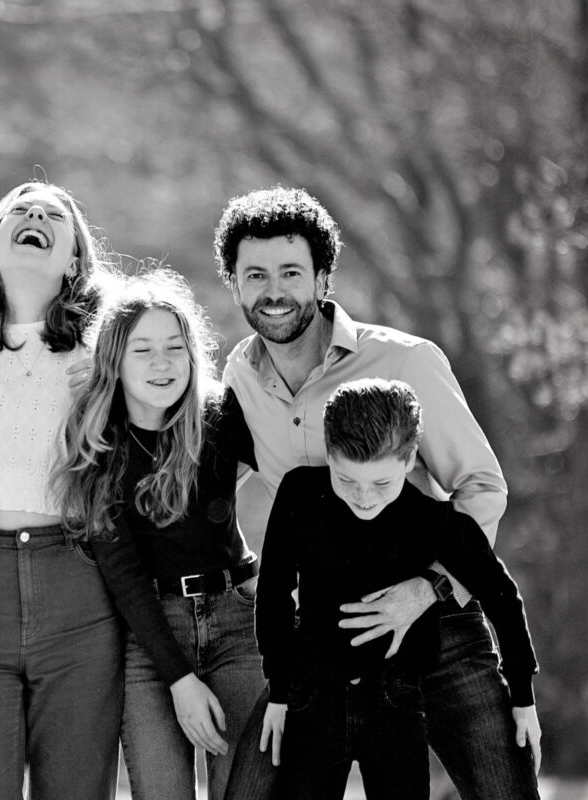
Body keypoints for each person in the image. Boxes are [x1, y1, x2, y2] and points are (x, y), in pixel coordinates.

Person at [215, 186, 541, 799]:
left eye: (291, 272)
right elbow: (207, 484)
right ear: (233, 283)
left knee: (505, 792)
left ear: (322, 278)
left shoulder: (405, 361)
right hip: (324, 644)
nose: (273, 291)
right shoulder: (240, 377)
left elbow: (482, 486)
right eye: (254, 274)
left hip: (438, 632)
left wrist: (428, 589)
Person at [256, 378, 539, 800]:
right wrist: (278, 691)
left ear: (409, 461)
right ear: (329, 453)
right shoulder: (300, 493)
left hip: (397, 704)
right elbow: (274, 590)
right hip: (313, 698)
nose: (364, 499)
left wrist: (523, 699)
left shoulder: (439, 524)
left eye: (380, 484)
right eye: (346, 480)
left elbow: (502, 598)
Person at [0, 181, 124, 800]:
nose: (35, 215)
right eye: (20, 210)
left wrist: (108, 390)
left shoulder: (104, 357)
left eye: (53, 215)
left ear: (74, 260)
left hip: (77, 582)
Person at [54, 269, 265, 800]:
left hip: (239, 622)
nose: (162, 362)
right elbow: (123, 576)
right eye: (143, 349)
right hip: (151, 634)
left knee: (246, 791)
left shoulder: (219, 418)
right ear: (114, 362)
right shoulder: (99, 448)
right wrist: (179, 679)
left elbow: (292, 476)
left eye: (175, 346)